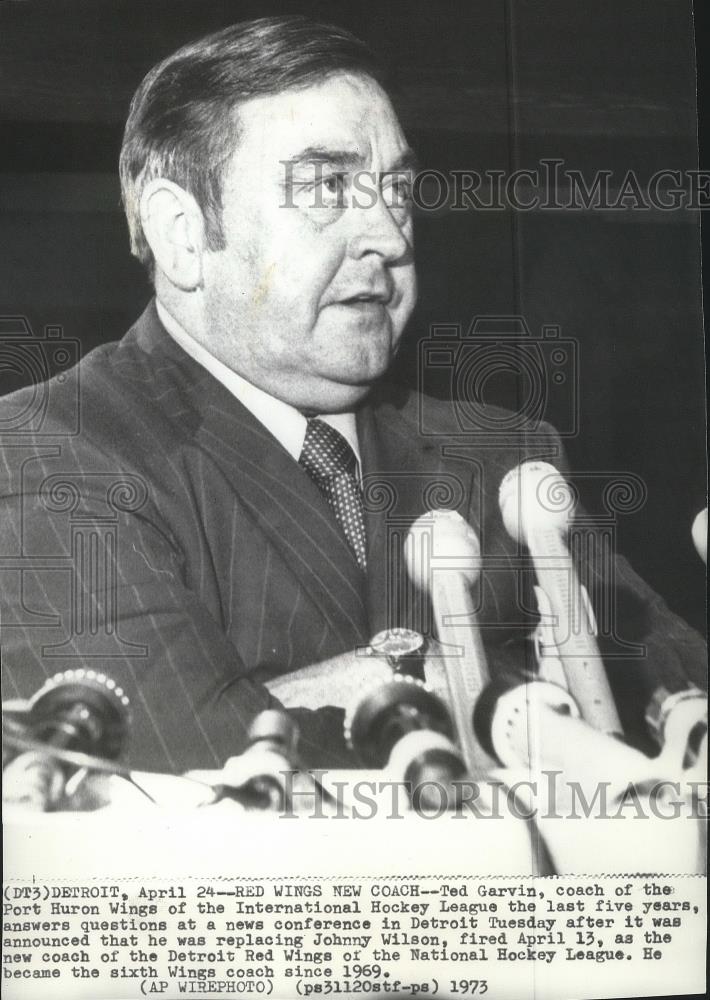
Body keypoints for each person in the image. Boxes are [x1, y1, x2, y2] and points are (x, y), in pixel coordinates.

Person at [0, 16, 705, 774]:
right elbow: (174, 763)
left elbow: (675, 696)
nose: (390, 236)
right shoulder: (46, 447)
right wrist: (487, 699)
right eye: (326, 186)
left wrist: (353, 688)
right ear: (183, 232)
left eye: (396, 188)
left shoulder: (507, 456)